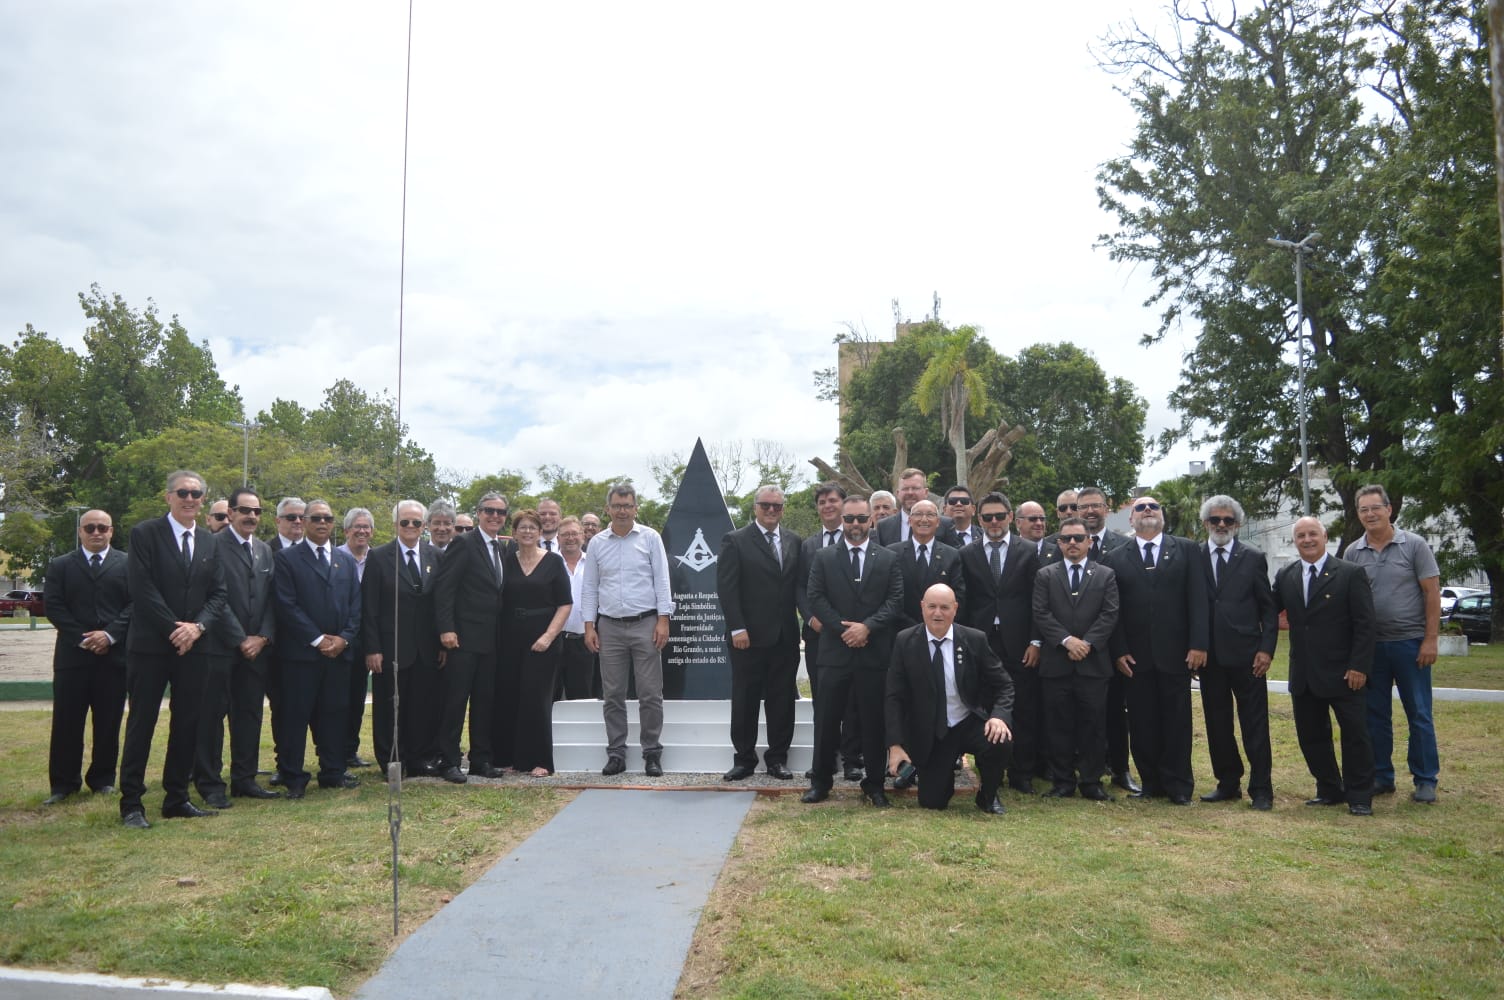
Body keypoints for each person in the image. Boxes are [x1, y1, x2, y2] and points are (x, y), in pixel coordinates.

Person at [119, 470, 228, 828]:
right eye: (183, 492)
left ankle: (176, 797)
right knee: (142, 723)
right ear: (168, 497)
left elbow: (218, 594)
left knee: (189, 723)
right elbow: (142, 589)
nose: (190, 499)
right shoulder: (144, 534)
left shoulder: (210, 542)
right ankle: (132, 803)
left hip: (195, 647)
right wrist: (174, 629)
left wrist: (196, 628)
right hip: (151, 646)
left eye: (197, 494)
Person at [1104, 496, 1208, 804]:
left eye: (1154, 507)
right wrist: (1118, 649)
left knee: (1177, 722)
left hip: (1177, 653)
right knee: (1141, 721)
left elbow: (1198, 600)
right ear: (1130, 519)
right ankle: (1151, 783)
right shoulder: (1116, 556)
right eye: (1140, 508)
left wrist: (1198, 644)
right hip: (1135, 657)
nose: (1147, 511)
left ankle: (1179, 786)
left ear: (1162, 516)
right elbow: (1114, 610)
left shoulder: (1187, 550)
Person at [803, 494, 904, 807]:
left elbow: (896, 600)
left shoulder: (887, 558)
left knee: (873, 721)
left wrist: (867, 628)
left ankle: (873, 785)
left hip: (874, 654)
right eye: (850, 519)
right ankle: (821, 782)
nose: (856, 525)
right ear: (842, 521)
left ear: (871, 520)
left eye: (862, 518)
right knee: (827, 720)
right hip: (835, 652)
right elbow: (815, 597)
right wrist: (844, 629)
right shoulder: (824, 557)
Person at [1275, 516, 1377, 816]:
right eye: (1301, 536)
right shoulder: (1286, 575)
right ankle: (1329, 788)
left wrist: (1359, 666)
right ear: (1295, 541)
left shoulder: (1350, 573)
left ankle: (1359, 796)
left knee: (1355, 736)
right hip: (1304, 673)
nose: (1307, 540)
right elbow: (1269, 610)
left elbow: (1365, 625)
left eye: (1312, 534)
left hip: (1346, 673)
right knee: (1311, 736)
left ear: (1324, 535)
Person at [1346, 484, 1442, 804]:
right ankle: (1382, 775)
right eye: (1364, 510)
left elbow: (1432, 594)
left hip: (1410, 644)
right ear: (1358, 515)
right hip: (1372, 648)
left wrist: (1430, 639)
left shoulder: (1414, 546)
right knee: (1375, 715)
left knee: (1419, 714)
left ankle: (1425, 779)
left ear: (1389, 510)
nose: (1370, 514)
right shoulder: (1352, 552)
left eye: (1376, 508)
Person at [886, 584, 1014, 813]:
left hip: (967, 721)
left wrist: (998, 716)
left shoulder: (974, 639)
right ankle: (940, 775)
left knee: (1000, 740)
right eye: (932, 606)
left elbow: (1004, 684)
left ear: (955, 609)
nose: (938, 613)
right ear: (922, 607)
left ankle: (988, 794)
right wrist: (895, 744)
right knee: (932, 802)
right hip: (933, 731)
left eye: (944, 607)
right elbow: (894, 696)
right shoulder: (905, 641)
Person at [582, 483, 675, 776]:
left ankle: (651, 752)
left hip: (646, 624)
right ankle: (616, 753)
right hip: (608, 626)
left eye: (627, 505)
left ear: (636, 508)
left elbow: (662, 581)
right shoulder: (597, 542)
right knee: (613, 694)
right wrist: (589, 626)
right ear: (608, 509)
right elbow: (590, 588)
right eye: (617, 506)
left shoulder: (650, 538)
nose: (622, 511)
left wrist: (663, 619)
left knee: (650, 694)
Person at [273, 499, 362, 798]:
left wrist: (344, 638)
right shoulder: (287, 559)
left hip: (338, 654)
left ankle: (332, 771)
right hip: (301, 655)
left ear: (334, 523)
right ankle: (294, 777)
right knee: (295, 717)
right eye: (316, 518)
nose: (322, 523)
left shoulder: (345, 560)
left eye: (327, 518)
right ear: (305, 522)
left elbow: (355, 606)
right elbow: (286, 605)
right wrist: (317, 639)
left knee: (335, 714)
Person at [42, 509, 131, 806]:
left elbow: (134, 605)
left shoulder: (128, 564)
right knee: (67, 722)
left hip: (113, 658)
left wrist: (108, 636)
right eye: (90, 527)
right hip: (73, 657)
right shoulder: (60, 565)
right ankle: (63, 784)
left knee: (108, 722)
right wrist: (84, 638)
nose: (96, 532)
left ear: (111, 530)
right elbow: (54, 607)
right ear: (80, 531)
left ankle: (103, 780)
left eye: (102, 527)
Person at [196, 489, 279, 805]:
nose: (252, 516)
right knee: (212, 718)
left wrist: (263, 636)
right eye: (245, 510)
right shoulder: (211, 546)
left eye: (257, 511)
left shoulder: (263, 550)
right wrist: (239, 638)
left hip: (257, 650)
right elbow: (214, 597)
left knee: (249, 715)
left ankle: (244, 779)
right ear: (230, 513)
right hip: (219, 647)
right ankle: (210, 783)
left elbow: (272, 599)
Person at [1197, 495, 1278, 810]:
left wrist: (1266, 650)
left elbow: (1268, 610)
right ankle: (1227, 783)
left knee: (1255, 724)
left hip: (1248, 657)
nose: (1221, 525)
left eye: (1227, 520)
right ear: (1205, 523)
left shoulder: (1253, 557)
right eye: (1215, 520)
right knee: (1217, 724)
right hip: (1209, 657)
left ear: (1238, 525)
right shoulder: (1195, 555)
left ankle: (1261, 789)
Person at [959, 492, 1043, 793]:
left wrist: (1036, 640)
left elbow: (1038, 600)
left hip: (1020, 642)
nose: (993, 522)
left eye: (999, 516)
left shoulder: (1029, 550)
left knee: (1023, 707)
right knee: (983, 705)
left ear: (1010, 517)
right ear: (979, 520)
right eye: (987, 517)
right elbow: (965, 602)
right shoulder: (967, 553)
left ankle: (1022, 774)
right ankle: (990, 770)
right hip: (981, 642)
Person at [717, 485, 801, 781]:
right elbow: (727, 588)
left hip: (785, 637)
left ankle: (777, 759)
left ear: (782, 509)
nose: (771, 510)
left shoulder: (794, 540)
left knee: (782, 701)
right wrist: (737, 627)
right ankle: (744, 759)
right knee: (745, 699)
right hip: (747, 638)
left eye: (777, 506)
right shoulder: (735, 541)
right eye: (765, 505)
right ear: (755, 507)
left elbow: (796, 588)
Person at [1032, 516, 1119, 801]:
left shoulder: (1105, 575)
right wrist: (1067, 641)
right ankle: (1062, 782)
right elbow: (1041, 613)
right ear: (1058, 543)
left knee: (1094, 726)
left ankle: (1092, 782)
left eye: (1078, 538)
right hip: (1056, 663)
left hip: (1093, 665)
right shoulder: (1045, 574)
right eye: (1066, 538)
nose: (1072, 543)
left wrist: (1088, 644)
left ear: (1089, 542)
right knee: (1058, 726)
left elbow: (1109, 614)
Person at [430, 493, 510, 783]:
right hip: (462, 639)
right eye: (489, 511)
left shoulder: (501, 549)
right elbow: (444, 589)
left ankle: (480, 760)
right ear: (478, 513)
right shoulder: (463, 543)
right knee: (454, 702)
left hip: (490, 641)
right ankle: (448, 760)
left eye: (500, 512)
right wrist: (446, 629)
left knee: (484, 703)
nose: (495, 516)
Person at [362, 499, 442, 777]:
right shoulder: (379, 556)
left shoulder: (435, 556)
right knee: (390, 709)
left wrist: (442, 641)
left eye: (416, 522)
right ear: (396, 525)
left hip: (426, 648)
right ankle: (392, 761)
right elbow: (369, 606)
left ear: (424, 526)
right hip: (391, 647)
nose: (411, 527)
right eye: (405, 522)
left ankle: (419, 758)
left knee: (422, 706)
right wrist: (372, 648)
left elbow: (440, 604)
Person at [796, 481, 865, 781]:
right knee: (824, 701)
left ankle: (851, 759)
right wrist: (811, 618)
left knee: (852, 700)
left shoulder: (862, 541)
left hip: (853, 633)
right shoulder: (808, 545)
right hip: (819, 635)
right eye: (822, 501)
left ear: (843, 504)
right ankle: (823, 760)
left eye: (833, 500)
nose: (827, 505)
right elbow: (800, 587)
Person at [498, 509, 572, 776]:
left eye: (533, 527)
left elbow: (565, 604)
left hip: (544, 639)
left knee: (536, 699)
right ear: (514, 533)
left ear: (541, 533)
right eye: (522, 527)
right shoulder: (505, 560)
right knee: (508, 697)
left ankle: (540, 760)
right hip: (508, 638)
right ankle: (508, 758)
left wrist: (548, 637)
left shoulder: (553, 561)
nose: (527, 531)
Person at [1073, 485, 1134, 791]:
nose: (1090, 511)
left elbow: (1124, 604)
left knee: (1115, 710)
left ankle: (1121, 769)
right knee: (1081, 711)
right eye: (1084, 507)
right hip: (1072, 646)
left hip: (1112, 645)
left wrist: (1119, 647)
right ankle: (1083, 767)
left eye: (1096, 506)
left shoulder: (1123, 546)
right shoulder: (1063, 544)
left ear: (1107, 508)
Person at [336, 508, 375, 770]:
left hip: (366, 640)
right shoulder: (334, 557)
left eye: (366, 527)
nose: (362, 531)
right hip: (339, 639)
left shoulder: (378, 559)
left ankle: (350, 750)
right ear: (346, 530)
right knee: (337, 700)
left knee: (357, 697)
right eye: (356, 527)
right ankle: (334, 752)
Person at [887, 499, 965, 629]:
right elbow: (889, 595)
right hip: (900, 630)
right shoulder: (892, 553)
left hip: (940, 629)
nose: (924, 519)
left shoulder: (951, 555)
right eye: (918, 514)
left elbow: (958, 596)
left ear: (938, 522)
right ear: (910, 521)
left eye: (930, 515)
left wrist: (936, 622)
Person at [553, 516, 598, 699]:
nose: (570, 538)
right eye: (565, 535)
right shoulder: (549, 563)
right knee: (550, 697)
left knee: (582, 698)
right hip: (554, 640)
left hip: (584, 641)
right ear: (558, 538)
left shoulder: (594, 564)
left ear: (583, 536)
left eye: (574, 533)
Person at [876, 468, 954, 544]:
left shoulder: (945, 525)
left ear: (926, 492)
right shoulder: (883, 526)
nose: (910, 493)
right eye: (905, 489)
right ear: (898, 493)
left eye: (915, 488)